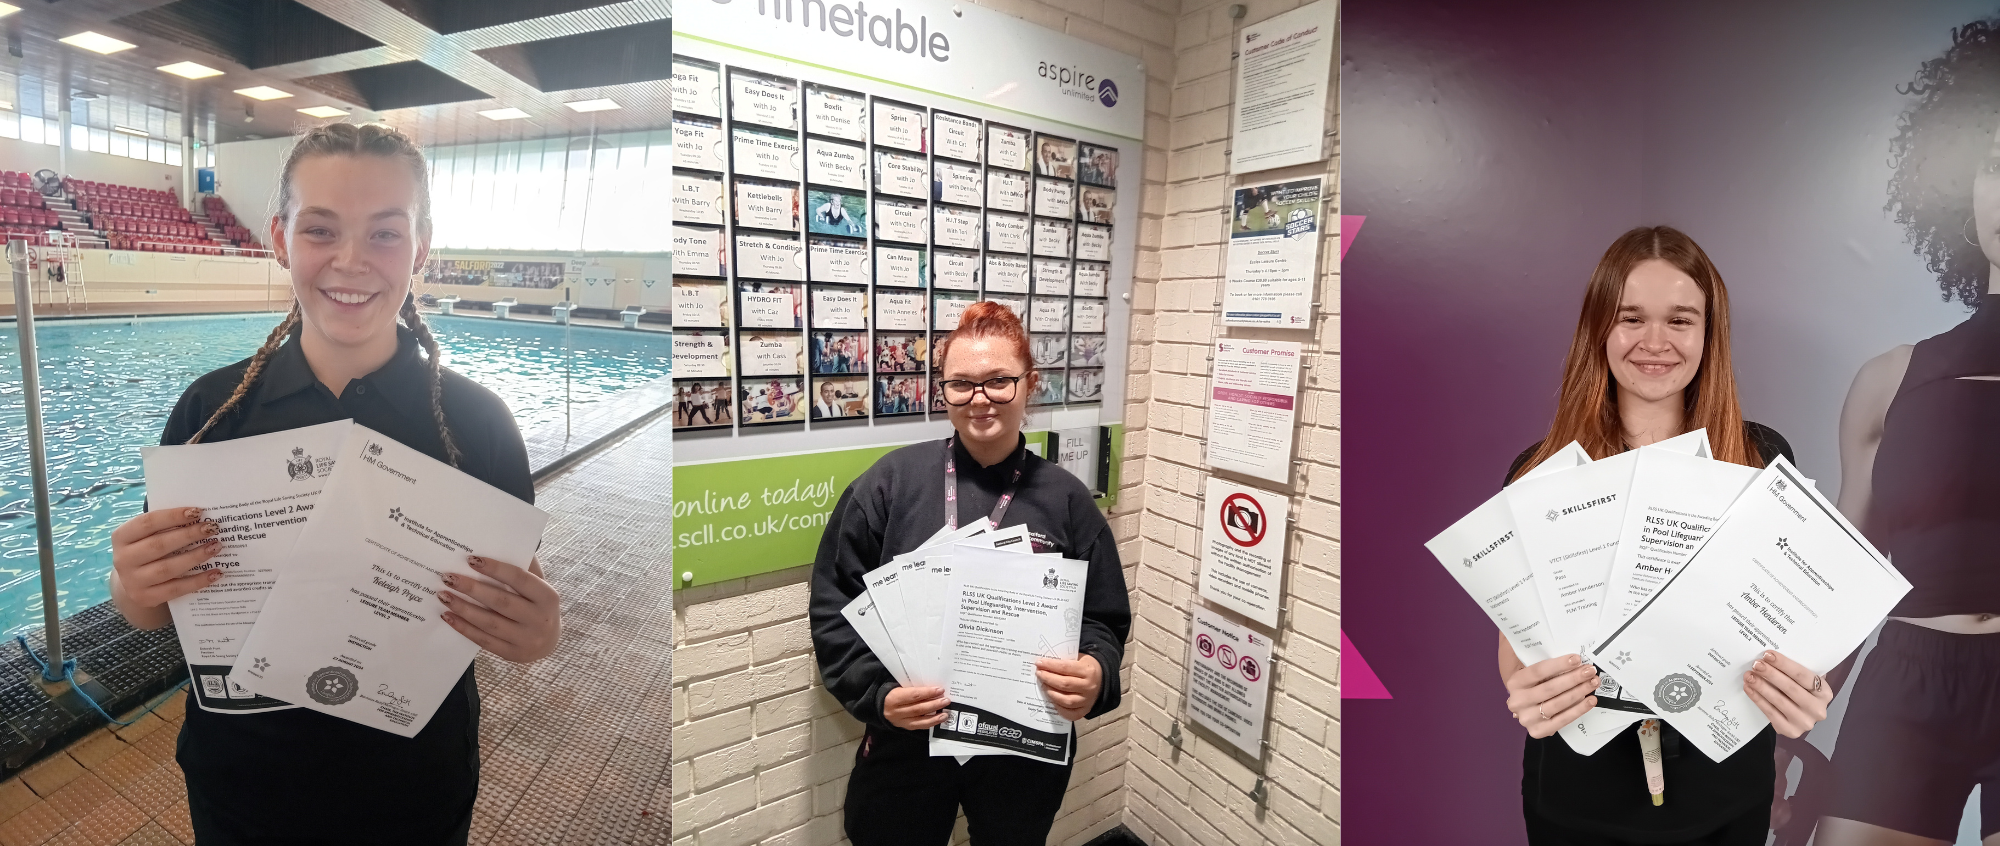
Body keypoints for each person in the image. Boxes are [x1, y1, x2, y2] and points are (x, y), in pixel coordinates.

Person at [104, 122, 562, 845]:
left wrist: (535, 634)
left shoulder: (480, 425)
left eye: (385, 233)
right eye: (321, 229)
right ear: (281, 237)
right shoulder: (209, 411)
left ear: (422, 247)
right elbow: (155, 612)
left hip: (411, 791)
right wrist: (133, 587)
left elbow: (513, 613)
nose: (351, 261)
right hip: (242, 787)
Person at [1500, 226, 1832, 845]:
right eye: (1631, 318)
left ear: (1710, 335)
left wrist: (1805, 684)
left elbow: (1791, 623)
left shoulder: (1761, 455)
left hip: (1724, 789)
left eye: (1680, 320)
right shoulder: (1539, 470)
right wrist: (1530, 691)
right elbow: (1516, 644)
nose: (1655, 342)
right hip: (1578, 792)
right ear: (1599, 328)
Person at [809, 301, 1131, 846]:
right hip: (910, 739)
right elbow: (834, 606)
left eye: (998, 382)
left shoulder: (1068, 501)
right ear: (943, 392)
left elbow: (1102, 619)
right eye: (961, 384)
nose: (979, 400)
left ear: (1030, 385)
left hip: (1022, 746)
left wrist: (1096, 671)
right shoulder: (890, 484)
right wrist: (878, 695)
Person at [1808, 19, 2000, 845]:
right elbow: (1847, 580)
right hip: (1908, 685)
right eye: (1995, 158)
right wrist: (1785, 729)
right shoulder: (1889, 380)